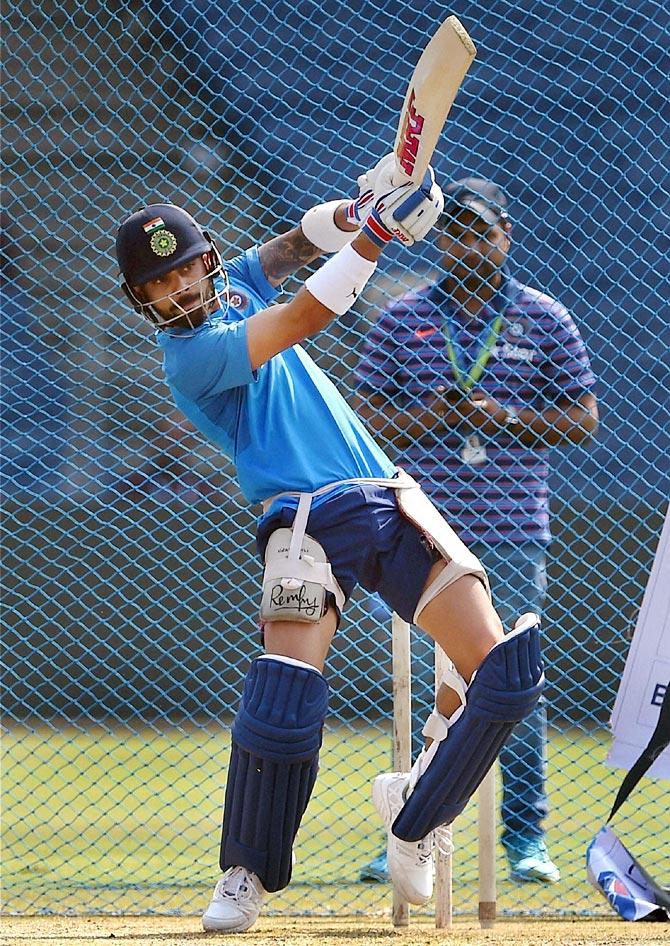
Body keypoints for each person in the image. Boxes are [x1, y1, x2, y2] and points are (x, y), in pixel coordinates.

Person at [114, 156, 545, 934]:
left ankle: (416, 812)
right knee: (285, 699)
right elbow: (307, 315)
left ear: (206, 262)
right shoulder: (192, 358)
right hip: (303, 517)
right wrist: (379, 232)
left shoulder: (237, 281)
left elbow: (289, 251)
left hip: (388, 495)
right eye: (156, 287)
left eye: (182, 272)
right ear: (142, 301)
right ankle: (244, 875)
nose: (175, 291)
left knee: (506, 674)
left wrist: (355, 209)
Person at [354, 176, 599, 885]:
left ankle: (526, 836)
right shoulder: (400, 317)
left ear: (504, 236)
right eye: (454, 232)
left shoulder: (543, 317)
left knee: (513, 680)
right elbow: (365, 417)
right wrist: (430, 419)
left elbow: (583, 419)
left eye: (479, 231)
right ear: (440, 240)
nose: (466, 243)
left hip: (513, 528)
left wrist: (507, 419)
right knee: (418, 682)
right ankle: (410, 829)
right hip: (421, 530)